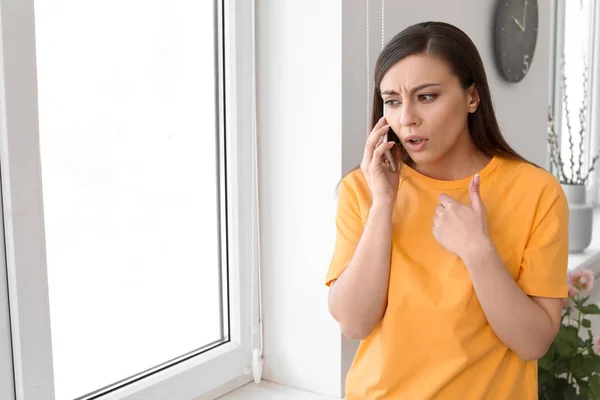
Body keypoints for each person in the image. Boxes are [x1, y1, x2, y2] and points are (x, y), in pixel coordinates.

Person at [325, 21, 568, 399]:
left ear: (472, 97)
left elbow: (533, 343)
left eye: (426, 97)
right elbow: (354, 322)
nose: (406, 118)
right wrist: (383, 205)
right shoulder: (363, 188)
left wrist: (478, 252)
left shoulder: (537, 192)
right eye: (392, 100)